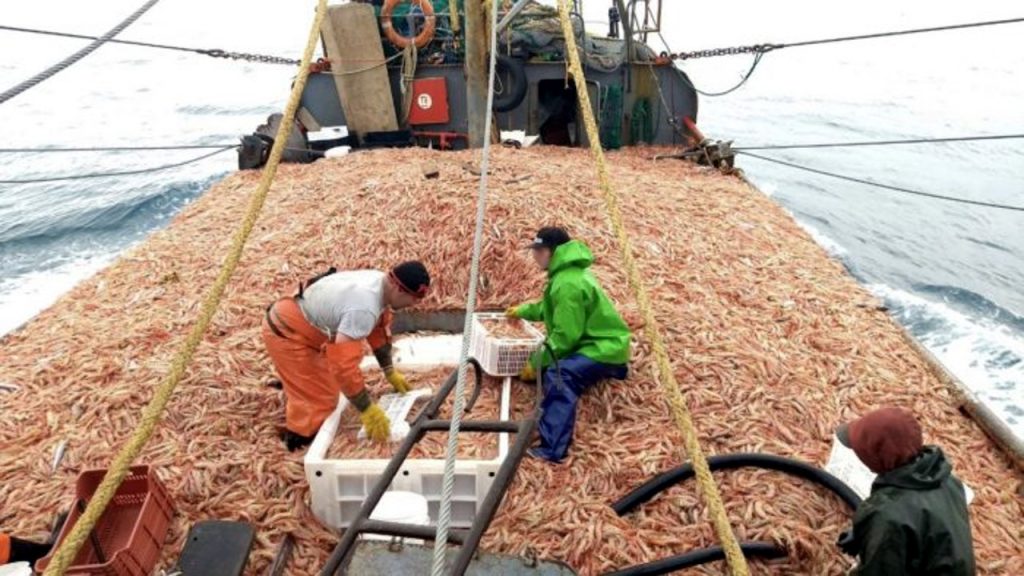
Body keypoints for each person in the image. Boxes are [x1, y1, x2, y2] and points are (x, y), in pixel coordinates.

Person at [263, 261, 430, 451]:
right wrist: (367, 409)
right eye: (414, 298)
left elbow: (378, 329)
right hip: (287, 331)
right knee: (323, 402)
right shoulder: (363, 308)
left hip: (307, 322)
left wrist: (389, 370)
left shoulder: (379, 283)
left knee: (330, 382)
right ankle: (297, 441)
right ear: (398, 289)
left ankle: (296, 381)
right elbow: (343, 365)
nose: (415, 304)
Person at [507, 227, 630, 462]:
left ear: (554, 252)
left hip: (603, 348)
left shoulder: (568, 283)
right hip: (598, 344)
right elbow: (550, 309)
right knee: (553, 367)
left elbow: (565, 337)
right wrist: (522, 311)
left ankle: (552, 449)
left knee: (558, 374)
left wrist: (535, 362)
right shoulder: (567, 276)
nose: (535, 256)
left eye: (539, 250)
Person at [836, 407, 975, 575]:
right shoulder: (949, 481)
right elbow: (928, 529)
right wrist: (865, 536)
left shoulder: (886, 513)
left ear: (877, 457)